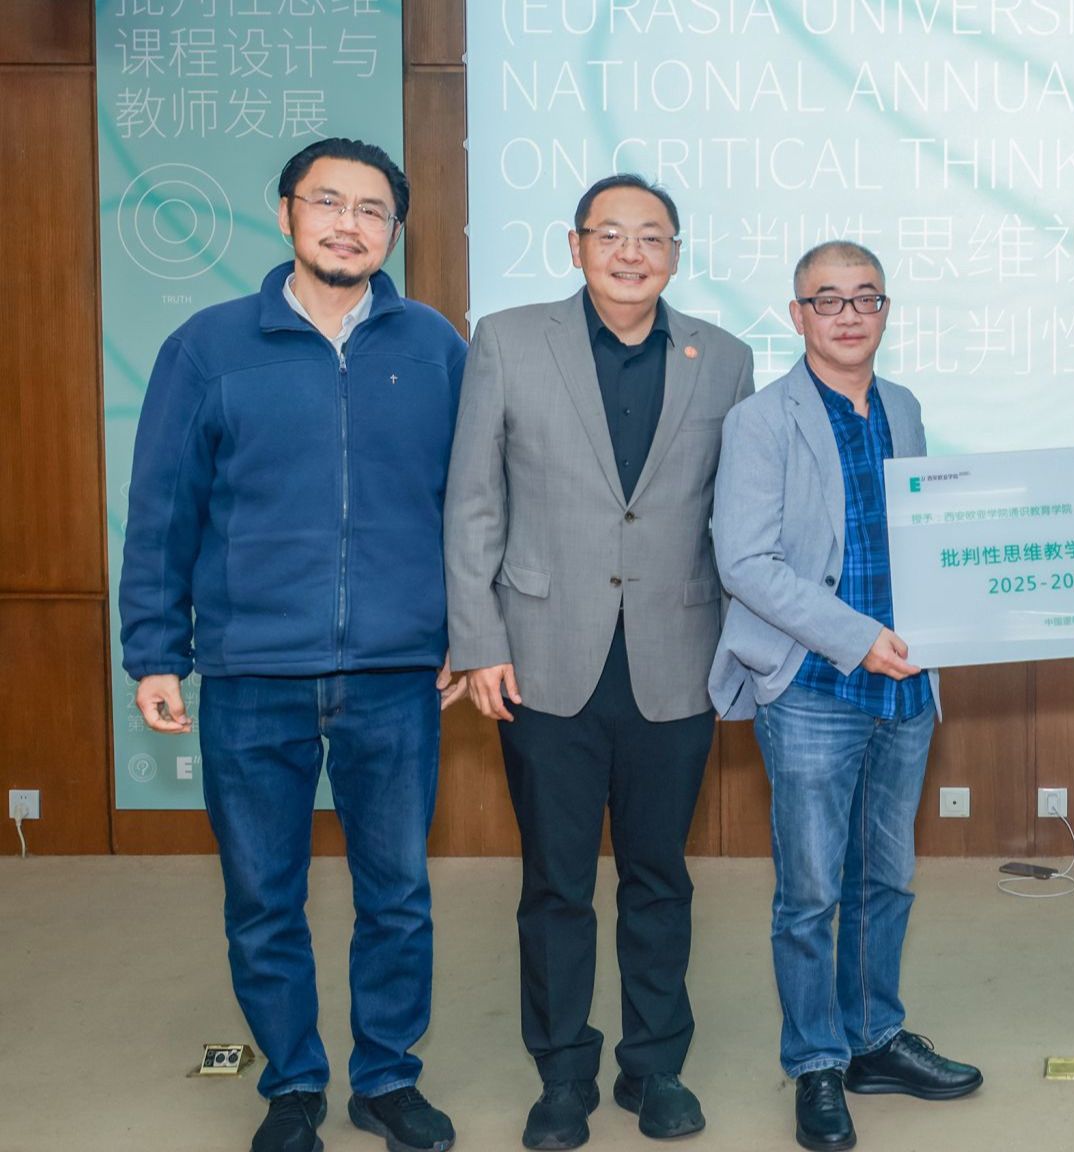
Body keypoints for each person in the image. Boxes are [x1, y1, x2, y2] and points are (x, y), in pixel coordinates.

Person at [121, 138, 466, 1152]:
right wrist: (154, 650)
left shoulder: (434, 347)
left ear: (392, 232)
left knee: (396, 895)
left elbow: (474, 506)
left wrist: (470, 630)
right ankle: (292, 1085)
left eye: (371, 210)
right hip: (250, 672)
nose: (348, 224)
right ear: (286, 214)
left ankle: (387, 1080)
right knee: (263, 897)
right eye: (327, 202)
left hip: (396, 675)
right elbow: (163, 508)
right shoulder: (209, 346)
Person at [443, 174, 754, 1151]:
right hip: (541, 659)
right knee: (555, 883)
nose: (631, 253)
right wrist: (478, 640)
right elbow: (473, 501)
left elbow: (737, 515)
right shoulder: (507, 340)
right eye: (610, 235)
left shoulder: (723, 357)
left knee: (660, 876)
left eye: (651, 236)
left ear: (675, 253)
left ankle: (654, 1068)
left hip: (677, 658)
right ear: (574, 246)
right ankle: (562, 1075)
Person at [709, 241, 982, 1152]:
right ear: (798, 316)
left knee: (887, 879)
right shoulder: (760, 421)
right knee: (811, 893)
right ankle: (816, 1061)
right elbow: (746, 562)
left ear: (886, 310)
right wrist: (858, 639)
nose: (849, 315)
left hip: (904, 689)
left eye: (866, 298)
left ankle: (873, 1039)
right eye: (828, 300)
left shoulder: (903, 407)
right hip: (814, 685)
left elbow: (925, 538)